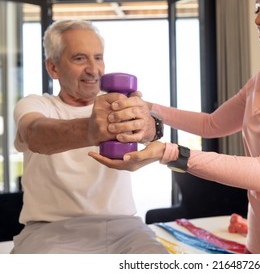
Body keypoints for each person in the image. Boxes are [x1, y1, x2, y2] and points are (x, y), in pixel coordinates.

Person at [89, 0, 260, 254]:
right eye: (257, 9)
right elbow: (211, 124)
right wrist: (148, 108)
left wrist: (167, 152)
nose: (258, 19)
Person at [12, 19, 167, 254]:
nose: (93, 70)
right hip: (50, 232)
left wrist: (151, 127)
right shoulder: (36, 104)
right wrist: (92, 130)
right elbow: (35, 134)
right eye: (79, 58)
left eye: (98, 57)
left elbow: (153, 120)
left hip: (124, 230)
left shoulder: (117, 106)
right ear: (53, 67)